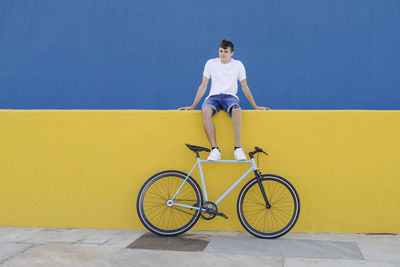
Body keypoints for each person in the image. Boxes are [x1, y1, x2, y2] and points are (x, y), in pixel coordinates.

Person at [179, 39, 269, 161]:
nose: (222, 54)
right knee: (205, 111)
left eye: (226, 51)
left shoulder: (238, 65)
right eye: (221, 51)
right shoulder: (211, 63)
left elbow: (245, 87)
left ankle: (238, 148)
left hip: (230, 96)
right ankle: (215, 149)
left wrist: (256, 107)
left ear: (232, 53)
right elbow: (203, 85)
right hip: (213, 96)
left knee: (237, 109)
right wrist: (192, 106)